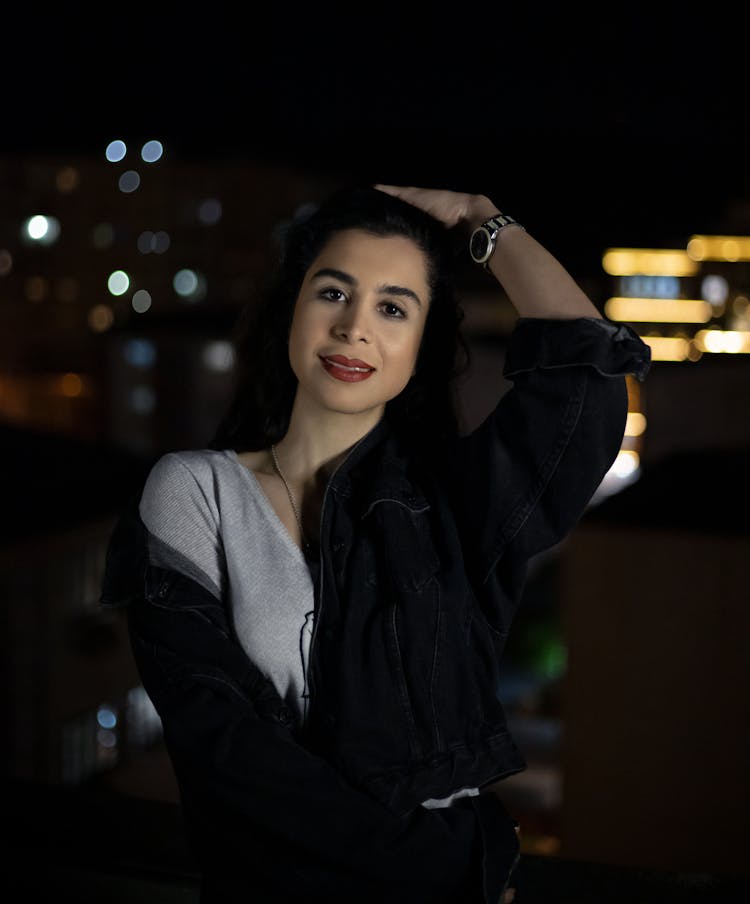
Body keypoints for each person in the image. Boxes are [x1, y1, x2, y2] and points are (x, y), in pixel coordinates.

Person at [99, 183, 651, 903]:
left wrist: (486, 222)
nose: (355, 327)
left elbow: (586, 381)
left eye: (394, 307)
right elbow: (225, 749)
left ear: (419, 348)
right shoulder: (195, 493)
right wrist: (450, 861)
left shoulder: (453, 509)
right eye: (333, 293)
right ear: (292, 309)